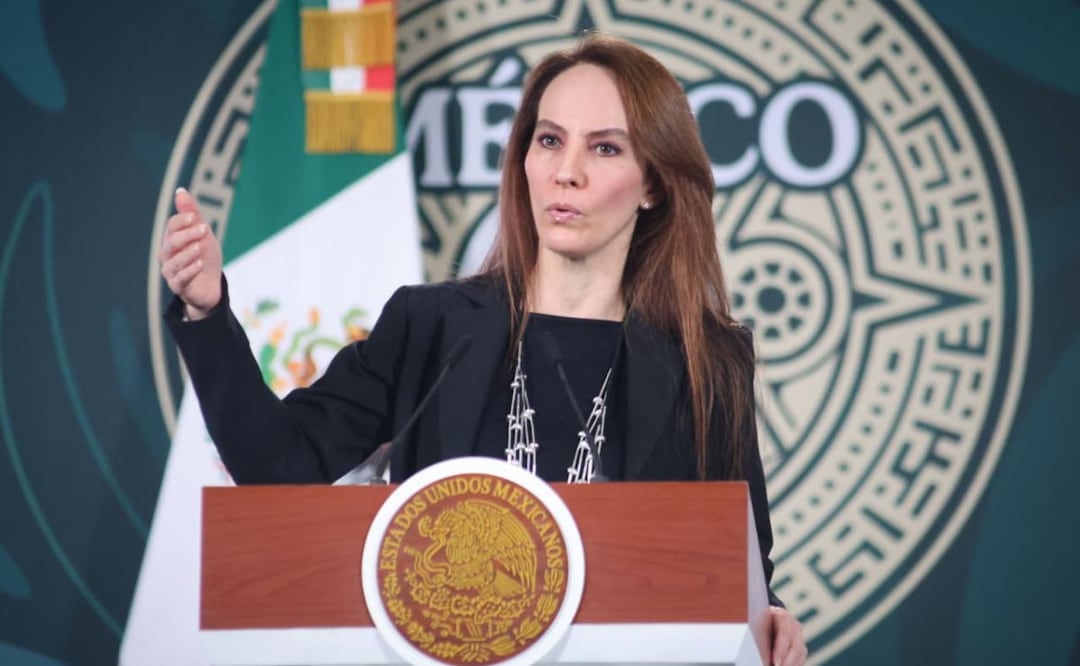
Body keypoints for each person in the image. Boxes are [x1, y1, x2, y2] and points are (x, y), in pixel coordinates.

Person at [159, 32, 807, 665]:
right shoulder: (429, 325)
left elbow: (740, 557)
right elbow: (278, 468)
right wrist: (207, 308)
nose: (567, 172)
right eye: (549, 140)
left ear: (652, 185)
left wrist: (771, 617)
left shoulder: (705, 356)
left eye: (605, 148)